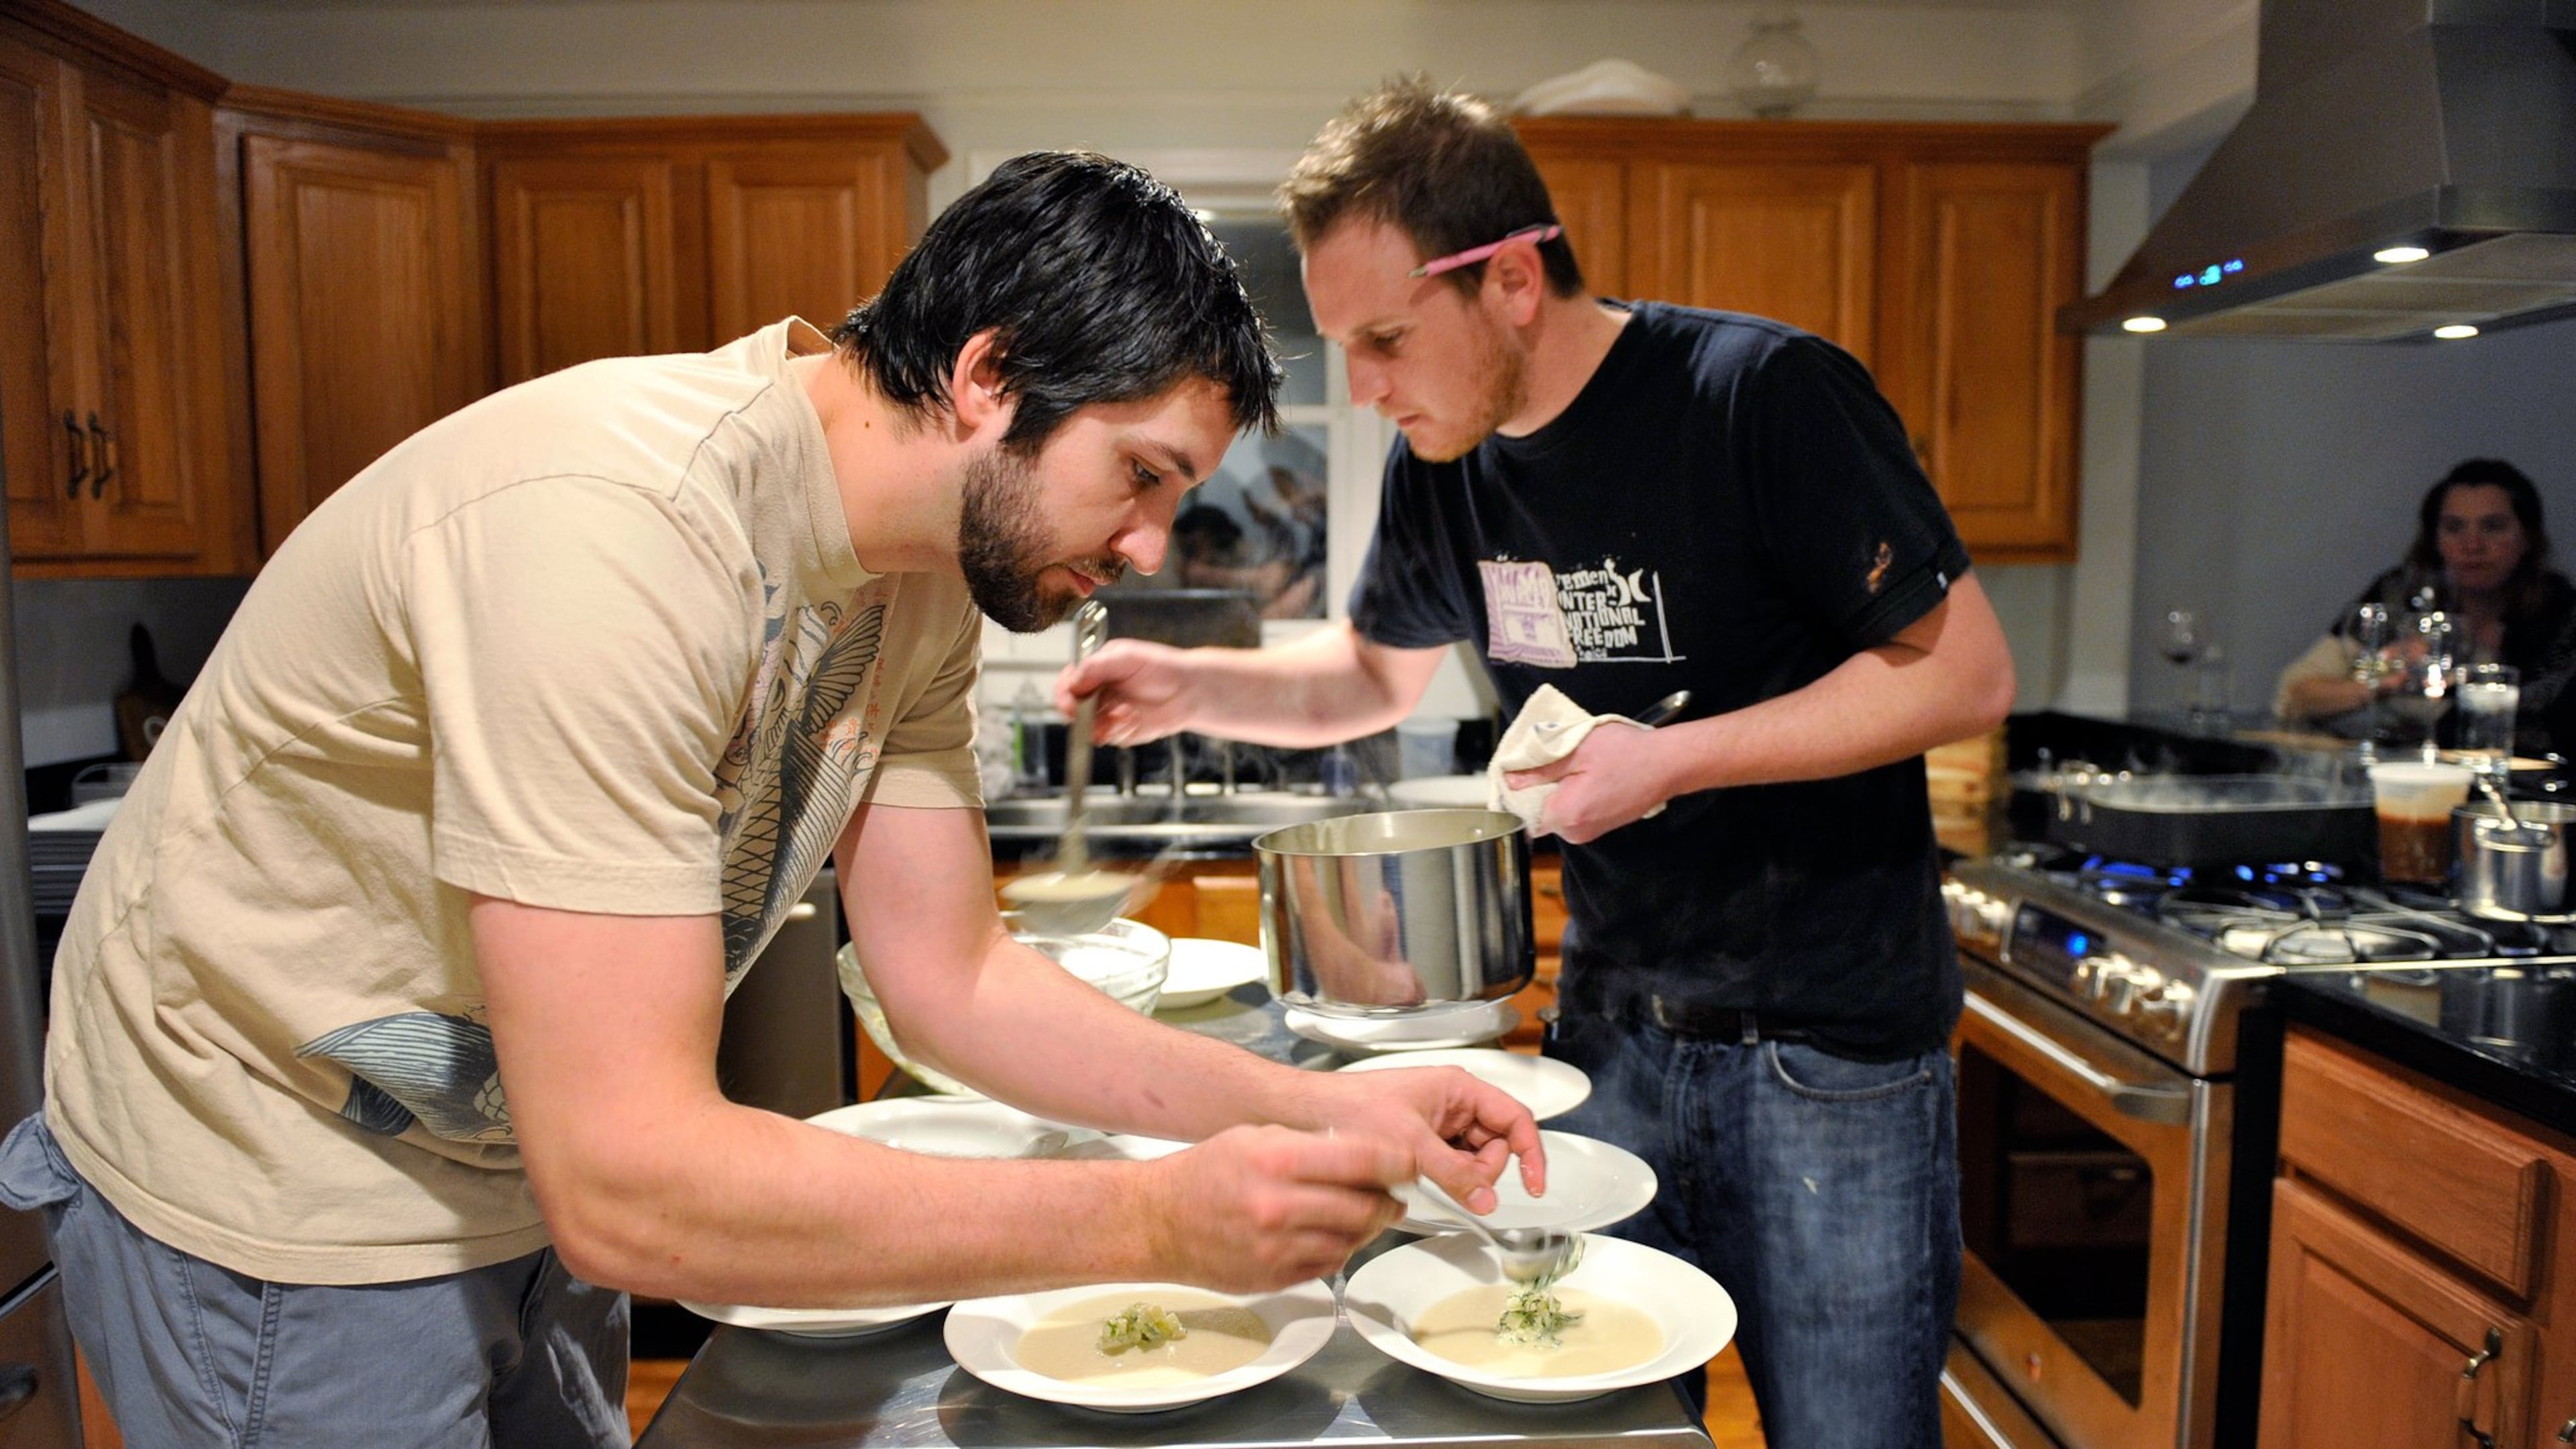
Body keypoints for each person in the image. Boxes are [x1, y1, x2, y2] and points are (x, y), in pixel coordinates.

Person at [0, 150, 1542, 1448]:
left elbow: (953, 978)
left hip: (511, 1165)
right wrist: (1153, 1224)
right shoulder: (606, 540)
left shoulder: (924, 582)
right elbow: (632, 1182)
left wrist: (1321, 1106)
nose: (1149, 548)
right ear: (986, 377)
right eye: (1138, 475)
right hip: (282, 1198)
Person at [1058, 82, 2015, 1448]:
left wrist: (1669, 761)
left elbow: (1965, 669)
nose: (1371, 390)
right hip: (1609, 1040)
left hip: (1830, 1058)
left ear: (1510, 278)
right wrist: (1189, 685)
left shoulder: (1757, 396)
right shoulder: (1444, 470)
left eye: (1387, 340)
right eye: (1347, 353)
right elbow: (1368, 675)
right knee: (1605, 1425)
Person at [2273, 458, 2576, 751]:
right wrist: (2387, 680)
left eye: (2492, 527)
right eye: (2454, 528)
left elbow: (2541, 724)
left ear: (2527, 538)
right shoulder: (2399, 594)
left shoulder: (2561, 613)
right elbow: (2294, 695)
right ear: (2435, 538)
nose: (2472, 545)